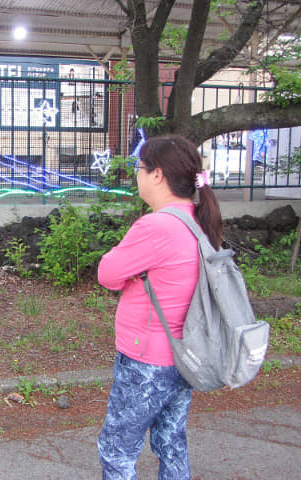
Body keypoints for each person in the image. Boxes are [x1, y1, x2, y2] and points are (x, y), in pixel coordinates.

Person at [96, 135, 222, 480]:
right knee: (170, 442)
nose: (136, 175)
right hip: (184, 357)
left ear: (157, 175)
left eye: (139, 168)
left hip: (146, 361)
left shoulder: (156, 226)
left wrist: (135, 272)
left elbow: (107, 273)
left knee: (116, 450)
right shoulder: (197, 221)